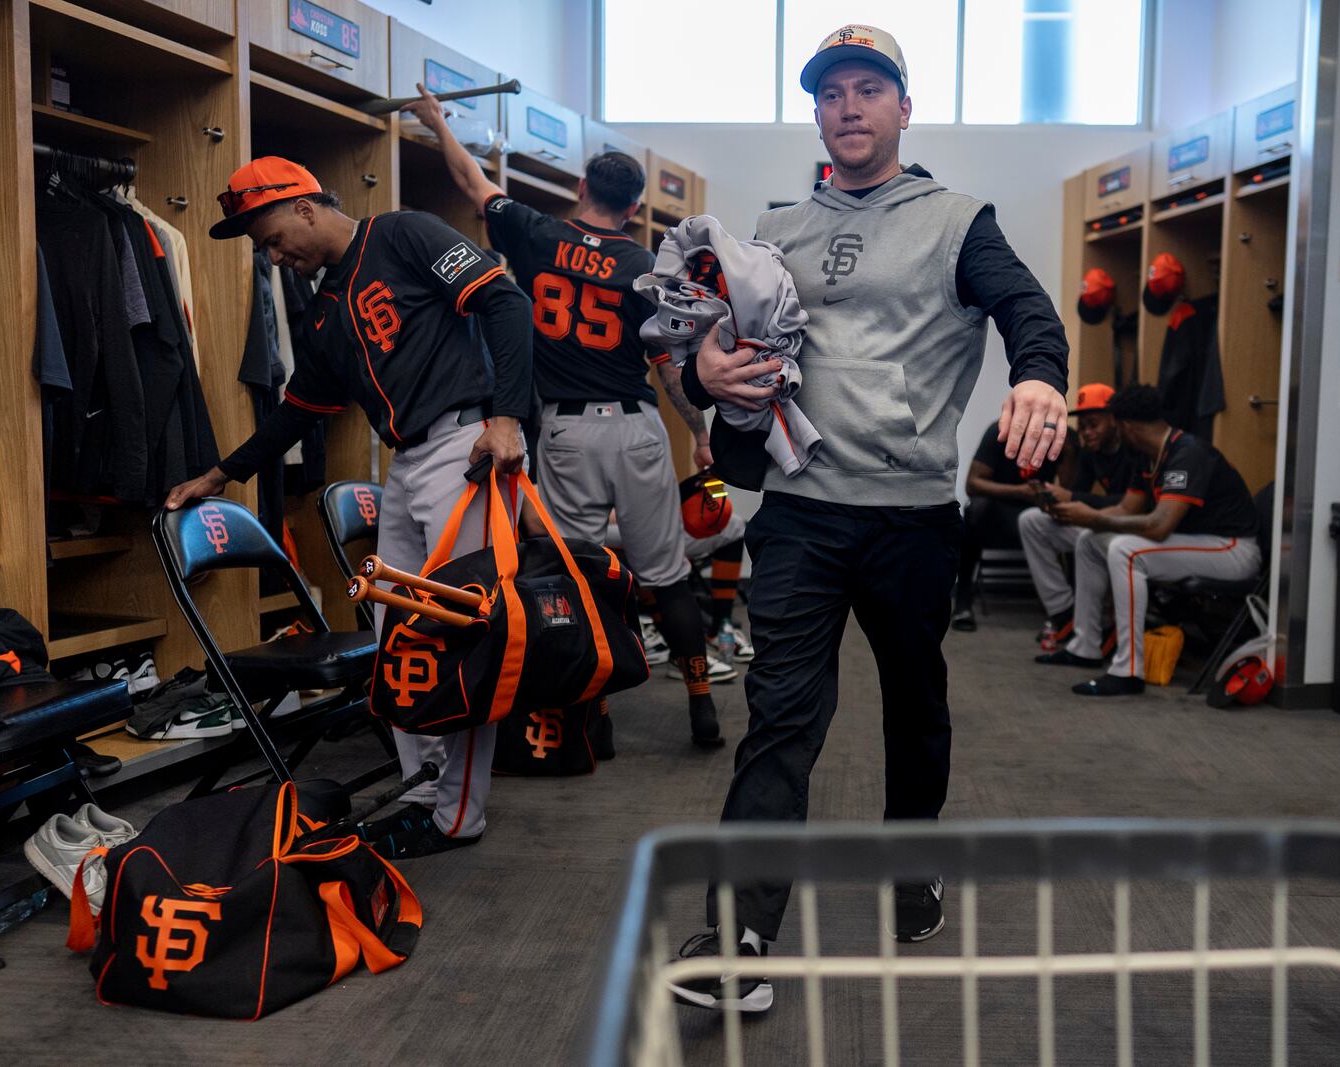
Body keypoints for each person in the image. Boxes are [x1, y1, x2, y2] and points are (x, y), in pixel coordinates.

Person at [666, 24, 1069, 1014]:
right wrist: (699, 369)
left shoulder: (955, 220)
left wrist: (1040, 379)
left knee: (914, 703)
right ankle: (743, 936)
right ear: (816, 111)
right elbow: (707, 349)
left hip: (911, 518)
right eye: (830, 91)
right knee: (781, 717)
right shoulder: (771, 229)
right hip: (801, 512)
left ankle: (912, 855)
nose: (847, 105)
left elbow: (1028, 313)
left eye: (868, 88)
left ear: (901, 107)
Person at [163, 157, 534, 858]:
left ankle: (459, 813)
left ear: (304, 206)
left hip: (470, 442)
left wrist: (509, 416)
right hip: (409, 461)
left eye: (272, 237)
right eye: (263, 250)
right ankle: (424, 787)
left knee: (459, 634)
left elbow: (506, 303)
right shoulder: (327, 309)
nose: (274, 257)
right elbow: (299, 409)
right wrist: (221, 473)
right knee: (400, 634)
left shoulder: (403, 234)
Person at [402, 85, 732, 747]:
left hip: (566, 431)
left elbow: (474, 183)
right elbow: (668, 365)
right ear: (635, 206)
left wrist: (437, 121)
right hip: (636, 426)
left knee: (580, 572)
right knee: (666, 574)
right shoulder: (644, 265)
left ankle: (595, 717)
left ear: (582, 185)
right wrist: (699, 438)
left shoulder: (536, 231)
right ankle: (701, 701)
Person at [1035, 384, 1260, 696]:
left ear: (1126, 425)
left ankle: (1128, 670)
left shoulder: (1187, 453)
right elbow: (1126, 510)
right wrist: (1084, 516)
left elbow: (1159, 527)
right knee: (1090, 540)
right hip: (1199, 543)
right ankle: (1085, 646)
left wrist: (1095, 517)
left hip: (1234, 549)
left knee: (1125, 550)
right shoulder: (1147, 456)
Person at [1018, 382, 1141, 650]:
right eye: (1083, 426)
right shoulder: (1089, 453)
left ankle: (1103, 624)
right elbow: (1078, 494)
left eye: (1093, 424)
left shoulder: (1134, 450)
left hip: (1131, 528)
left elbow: (1132, 504)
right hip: (1100, 524)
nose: (1087, 432)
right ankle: (1063, 613)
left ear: (1113, 420)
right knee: (1031, 521)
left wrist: (1073, 499)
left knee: (1089, 537)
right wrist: (1054, 504)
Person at [949, 419, 1060, 631]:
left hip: (1039, 512)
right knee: (975, 510)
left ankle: (1065, 611)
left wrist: (1047, 495)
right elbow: (972, 484)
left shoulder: (1062, 436)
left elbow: (1072, 488)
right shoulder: (1000, 431)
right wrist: (1020, 492)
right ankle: (963, 603)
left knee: (1067, 514)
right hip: (1001, 510)